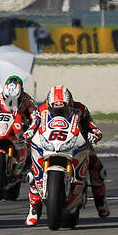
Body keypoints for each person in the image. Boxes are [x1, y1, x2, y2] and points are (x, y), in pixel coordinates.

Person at [28, 84, 109, 225]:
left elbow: (92, 126)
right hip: (49, 143)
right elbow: (33, 125)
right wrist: (28, 133)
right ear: (49, 104)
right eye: (55, 108)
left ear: (69, 103)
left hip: (77, 142)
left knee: (98, 169)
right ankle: (34, 208)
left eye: (63, 107)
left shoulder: (80, 109)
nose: (58, 111)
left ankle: (101, 203)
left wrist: (95, 134)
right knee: (32, 172)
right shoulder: (41, 111)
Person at [0, 74, 38, 174]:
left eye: (15, 99)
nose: (11, 101)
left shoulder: (28, 101)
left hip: (21, 129)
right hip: (1, 127)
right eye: (8, 98)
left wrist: (31, 129)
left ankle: (27, 166)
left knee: (34, 144)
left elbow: (36, 117)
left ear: (21, 93)